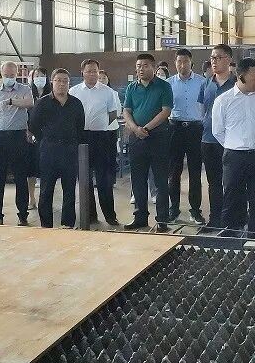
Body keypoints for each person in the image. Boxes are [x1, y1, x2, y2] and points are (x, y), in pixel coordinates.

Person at [212, 58, 255, 238]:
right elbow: (218, 131)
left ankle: (254, 236)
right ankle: (230, 235)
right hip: (234, 157)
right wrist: (235, 145)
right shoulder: (223, 101)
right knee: (232, 197)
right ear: (241, 76)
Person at [123, 53, 174, 231]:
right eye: (138, 66)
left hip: (158, 138)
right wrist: (135, 129)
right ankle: (140, 217)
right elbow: (126, 111)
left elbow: (166, 111)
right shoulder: (132, 87)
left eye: (145, 65)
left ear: (153, 67)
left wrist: (146, 128)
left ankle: (162, 220)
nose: (141, 69)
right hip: (136, 139)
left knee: (160, 180)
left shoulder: (164, 86)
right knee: (138, 179)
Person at [29, 68, 86, 228]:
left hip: (69, 151)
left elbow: (80, 127)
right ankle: (46, 225)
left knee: (69, 190)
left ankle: (67, 224)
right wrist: (45, 139)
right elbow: (33, 126)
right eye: (58, 80)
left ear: (69, 83)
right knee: (46, 190)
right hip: (49, 151)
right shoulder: (42, 103)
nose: (62, 84)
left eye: (65, 81)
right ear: (52, 82)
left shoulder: (76, 103)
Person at [70, 59, 121, 226]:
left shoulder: (107, 91)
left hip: (101, 137)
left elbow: (113, 114)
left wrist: (101, 125)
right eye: (89, 71)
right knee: (84, 178)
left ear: (99, 72)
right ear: (82, 72)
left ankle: (110, 215)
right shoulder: (74, 91)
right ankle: (89, 215)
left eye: (95, 71)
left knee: (104, 178)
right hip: (81, 138)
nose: (92, 74)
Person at [0, 62, 35, 225]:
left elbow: (29, 103)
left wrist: (11, 101)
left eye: (12, 75)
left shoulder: (25, 89)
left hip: (18, 136)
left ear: (17, 74)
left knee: (20, 176)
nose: (9, 78)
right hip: (0, 136)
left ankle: (23, 214)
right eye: (6, 75)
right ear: (1, 74)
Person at [199, 44, 237, 233]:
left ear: (229, 60)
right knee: (213, 182)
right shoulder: (206, 83)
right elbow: (202, 109)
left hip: (232, 141)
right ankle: (215, 219)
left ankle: (232, 221)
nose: (214, 61)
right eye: (212, 58)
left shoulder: (237, 84)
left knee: (232, 182)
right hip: (209, 140)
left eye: (218, 58)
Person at [167, 49, 206, 224]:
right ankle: (173, 209)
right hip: (175, 129)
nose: (182, 65)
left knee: (195, 172)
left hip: (195, 129)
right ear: (175, 63)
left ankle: (195, 211)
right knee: (173, 172)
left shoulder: (202, 82)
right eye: (179, 61)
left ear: (191, 63)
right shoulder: (168, 83)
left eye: (186, 61)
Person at [26, 67, 49, 205]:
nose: (39, 78)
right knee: (31, 168)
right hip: (30, 135)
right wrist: (28, 130)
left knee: (46, 168)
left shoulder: (52, 94)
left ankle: (45, 198)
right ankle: (31, 198)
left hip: (47, 136)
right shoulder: (28, 94)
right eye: (36, 76)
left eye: (42, 75)